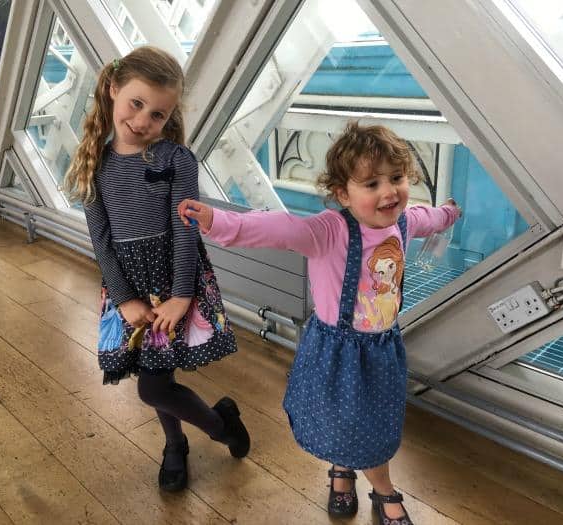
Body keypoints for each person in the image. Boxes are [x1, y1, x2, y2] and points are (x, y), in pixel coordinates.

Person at [178, 123, 461, 523]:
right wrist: (217, 221)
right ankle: (384, 492)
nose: (388, 191)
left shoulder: (405, 222)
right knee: (344, 418)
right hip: (337, 351)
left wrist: (449, 213)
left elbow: (431, 218)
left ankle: (343, 470)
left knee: (371, 421)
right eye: (372, 183)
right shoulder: (329, 231)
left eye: (396, 178)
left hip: (382, 348)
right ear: (343, 193)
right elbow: (276, 228)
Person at [63, 46, 250, 493]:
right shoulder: (94, 161)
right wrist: (124, 298)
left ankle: (219, 427)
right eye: (136, 104)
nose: (144, 120)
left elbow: (184, 229)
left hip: (172, 277)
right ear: (112, 89)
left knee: (152, 387)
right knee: (156, 376)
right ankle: (176, 442)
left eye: (158, 114)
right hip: (128, 287)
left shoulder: (176, 160)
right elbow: (101, 239)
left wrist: (182, 294)